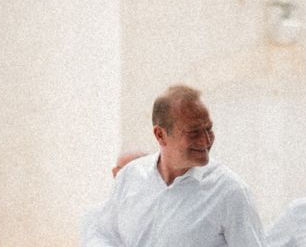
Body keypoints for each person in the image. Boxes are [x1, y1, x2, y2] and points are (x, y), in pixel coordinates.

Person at [85, 84, 267, 247]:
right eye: (193, 132)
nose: (206, 140)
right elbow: (103, 234)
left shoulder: (231, 192)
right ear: (160, 135)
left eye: (209, 128)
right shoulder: (129, 176)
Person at [80, 150, 147, 245]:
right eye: (126, 171)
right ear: (115, 172)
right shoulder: (95, 215)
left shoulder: (160, 209)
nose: (132, 176)